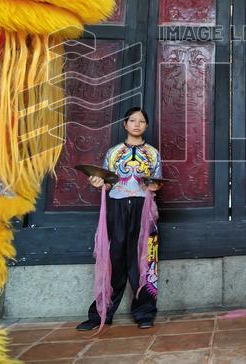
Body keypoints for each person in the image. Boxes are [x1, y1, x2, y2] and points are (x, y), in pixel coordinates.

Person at [76, 107, 163, 331]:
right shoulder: (113, 153)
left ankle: (144, 313)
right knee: (114, 259)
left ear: (146, 126)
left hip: (143, 209)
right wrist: (98, 183)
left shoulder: (153, 153)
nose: (136, 124)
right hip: (117, 206)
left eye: (141, 121)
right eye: (132, 121)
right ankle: (101, 313)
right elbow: (107, 182)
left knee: (144, 260)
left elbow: (156, 183)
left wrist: (154, 186)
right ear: (125, 125)